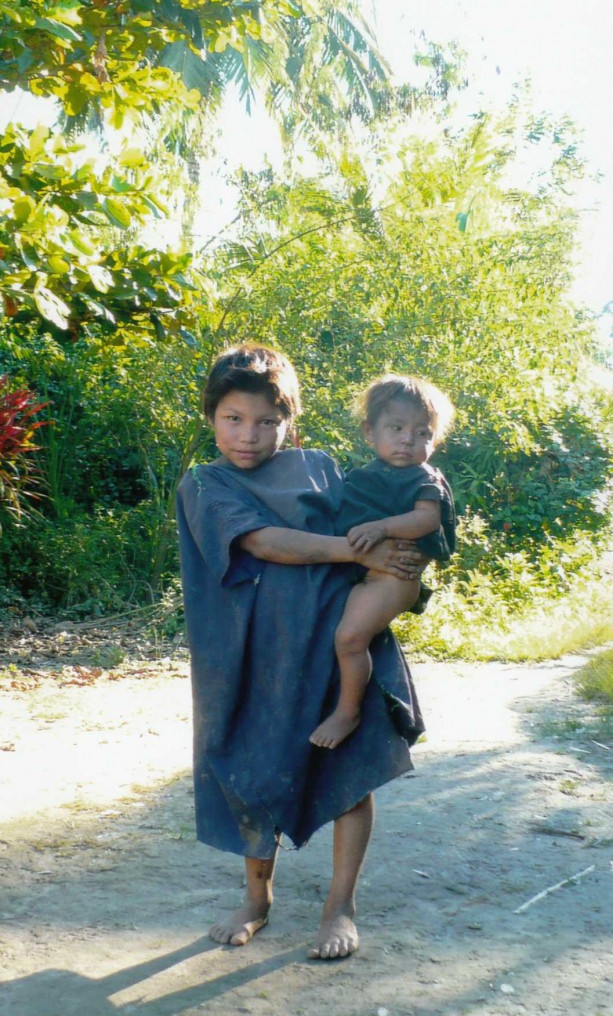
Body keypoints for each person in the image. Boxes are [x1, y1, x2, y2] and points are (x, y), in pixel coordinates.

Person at [176, 344, 427, 960]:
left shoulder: (319, 467)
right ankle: (256, 900)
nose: (249, 435)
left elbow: (384, 513)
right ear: (211, 417)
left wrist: (404, 558)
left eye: (267, 421)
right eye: (234, 418)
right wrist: (358, 551)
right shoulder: (205, 483)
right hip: (253, 657)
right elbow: (265, 542)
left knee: (351, 773)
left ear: (289, 421)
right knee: (252, 770)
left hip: (340, 645)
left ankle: (340, 906)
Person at [310, 375, 456, 749]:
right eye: (397, 428)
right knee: (336, 636)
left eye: (422, 433)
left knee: (349, 639)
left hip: (393, 578)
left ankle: (348, 712)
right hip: (367, 576)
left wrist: (382, 527)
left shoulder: (422, 477)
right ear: (369, 432)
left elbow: (427, 520)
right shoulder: (365, 476)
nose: (408, 440)